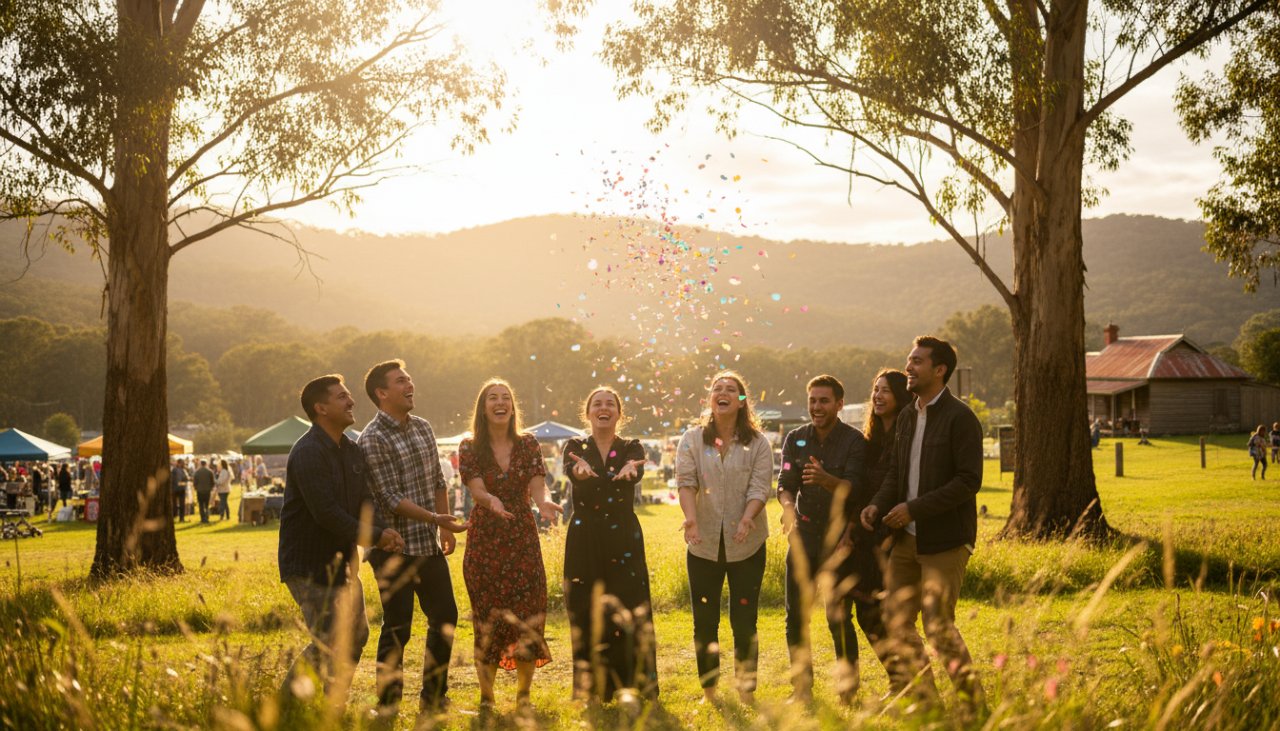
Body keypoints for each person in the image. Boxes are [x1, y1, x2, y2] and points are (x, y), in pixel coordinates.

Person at [860, 336, 986, 717]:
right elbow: (896, 472)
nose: (908, 368)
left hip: (946, 540)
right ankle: (927, 700)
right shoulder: (907, 417)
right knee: (895, 618)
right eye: (909, 360)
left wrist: (913, 509)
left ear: (940, 369)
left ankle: (973, 706)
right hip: (907, 539)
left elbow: (968, 481)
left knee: (937, 626)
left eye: (917, 361)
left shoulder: (961, 418)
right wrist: (877, 503)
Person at [278, 374, 404, 704]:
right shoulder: (308, 452)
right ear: (321, 408)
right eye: (342, 397)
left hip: (344, 566)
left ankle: (333, 702)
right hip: (309, 565)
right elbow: (326, 513)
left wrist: (383, 530)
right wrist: (376, 536)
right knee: (330, 639)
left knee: (356, 634)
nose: (351, 401)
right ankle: (285, 707)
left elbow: (365, 501)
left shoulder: (351, 450)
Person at [358, 360, 468, 716]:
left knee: (445, 616)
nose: (410, 385)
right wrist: (436, 518)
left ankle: (434, 697)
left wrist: (443, 527)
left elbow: (437, 480)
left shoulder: (423, 427)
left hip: (427, 543)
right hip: (393, 547)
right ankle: (387, 701)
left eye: (409, 379)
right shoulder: (372, 438)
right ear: (382, 392)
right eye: (401, 381)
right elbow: (390, 497)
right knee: (398, 625)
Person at [777, 374, 888, 705]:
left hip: (840, 540)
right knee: (796, 617)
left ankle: (848, 689)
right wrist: (787, 508)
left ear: (839, 404)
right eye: (812, 400)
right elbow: (785, 483)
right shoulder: (796, 438)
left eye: (824, 401)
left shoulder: (855, 442)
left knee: (837, 615)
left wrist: (826, 479)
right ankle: (801, 690)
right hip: (803, 536)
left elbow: (855, 489)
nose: (817, 407)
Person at [459, 379, 562, 710]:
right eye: (493, 397)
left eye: (506, 397)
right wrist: (491, 501)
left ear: (513, 406)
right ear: (483, 407)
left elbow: (538, 486)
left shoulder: (528, 443)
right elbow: (476, 489)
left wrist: (544, 503)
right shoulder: (469, 446)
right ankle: (487, 698)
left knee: (528, 615)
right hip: (485, 540)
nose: (500, 402)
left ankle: (523, 696)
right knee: (487, 619)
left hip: (522, 539)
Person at [675, 370, 773, 705]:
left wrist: (747, 518)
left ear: (742, 401)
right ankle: (710, 692)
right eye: (718, 388)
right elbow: (686, 482)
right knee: (705, 622)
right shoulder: (692, 439)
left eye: (731, 389)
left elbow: (760, 487)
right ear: (710, 398)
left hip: (747, 544)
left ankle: (746, 692)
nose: (723, 392)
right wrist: (690, 519)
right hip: (702, 543)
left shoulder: (758, 443)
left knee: (744, 622)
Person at [561, 387, 659, 702]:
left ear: (619, 413)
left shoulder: (631, 446)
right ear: (588, 412)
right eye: (597, 404)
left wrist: (632, 469)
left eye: (609, 404)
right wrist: (579, 473)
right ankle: (591, 687)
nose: (603, 408)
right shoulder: (575, 446)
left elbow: (636, 466)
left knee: (630, 605)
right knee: (584, 607)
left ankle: (636, 684)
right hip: (584, 535)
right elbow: (572, 470)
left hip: (623, 535)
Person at [192, 459, 216, 524]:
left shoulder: (197, 472)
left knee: (201, 505)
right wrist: (211, 487)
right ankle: (207, 517)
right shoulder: (210, 471)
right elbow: (212, 481)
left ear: (200, 464)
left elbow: (195, 482)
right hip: (207, 490)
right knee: (207, 505)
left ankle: (202, 518)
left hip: (199, 490)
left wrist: (196, 488)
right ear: (206, 464)